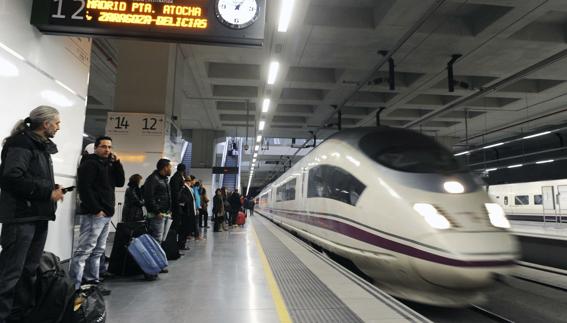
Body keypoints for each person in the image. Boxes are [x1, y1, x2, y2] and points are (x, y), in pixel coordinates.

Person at [0, 106, 64, 322]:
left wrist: (52, 187)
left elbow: (30, 177)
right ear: (46, 124)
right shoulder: (21, 143)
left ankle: (20, 315)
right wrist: (48, 191)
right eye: (57, 123)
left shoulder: (40, 146)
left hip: (37, 215)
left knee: (29, 271)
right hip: (21, 217)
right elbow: (11, 178)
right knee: (11, 273)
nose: (58, 127)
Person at [69, 136, 125, 294]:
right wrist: (96, 209)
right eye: (104, 146)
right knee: (84, 250)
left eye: (109, 147)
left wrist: (118, 163)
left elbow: (120, 182)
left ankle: (92, 282)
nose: (107, 149)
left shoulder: (109, 164)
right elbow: (85, 189)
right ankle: (74, 286)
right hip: (95, 214)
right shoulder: (90, 164)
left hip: (106, 213)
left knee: (98, 250)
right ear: (96, 148)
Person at [143, 159, 172, 244]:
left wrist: (169, 210)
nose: (171, 169)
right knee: (156, 239)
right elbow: (149, 198)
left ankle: (157, 256)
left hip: (164, 213)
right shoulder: (153, 179)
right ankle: (153, 257)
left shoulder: (164, 179)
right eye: (170, 167)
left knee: (161, 238)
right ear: (165, 168)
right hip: (157, 215)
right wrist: (157, 212)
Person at [169, 164, 186, 249]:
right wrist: (179, 203)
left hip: (177, 205)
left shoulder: (176, 177)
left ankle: (175, 245)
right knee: (176, 226)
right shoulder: (177, 178)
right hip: (177, 206)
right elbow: (176, 193)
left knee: (177, 226)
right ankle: (174, 246)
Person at [177, 176, 197, 248]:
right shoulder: (184, 188)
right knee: (184, 229)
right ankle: (181, 245)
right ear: (187, 181)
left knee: (186, 229)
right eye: (190, 181)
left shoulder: (188, 189)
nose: (191, 182)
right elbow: (183, 200)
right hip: (186, 212)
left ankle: (182, 244)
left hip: (189, 212)